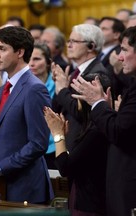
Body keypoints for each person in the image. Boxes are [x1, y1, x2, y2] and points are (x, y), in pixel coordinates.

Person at [0, 26, 54, 204]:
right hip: (2, 186)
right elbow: (0, 139)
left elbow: (38, 143)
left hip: (27, 189)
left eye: (2, 49)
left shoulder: (35, 89)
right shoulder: (3, 89)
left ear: (20, 52)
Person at [70, 26, 136, 216]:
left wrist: (97, 103)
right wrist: (106, 108)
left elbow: (118, 132)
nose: (120, 57)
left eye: (124, 49)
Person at [44, 72, 111, 215]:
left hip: (90, 205)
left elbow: (64, 167)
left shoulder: (96, 131)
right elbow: (74, 161)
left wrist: (58, 135)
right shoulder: (94, 127)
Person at [52, 23, 108, 151]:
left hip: (84, 145)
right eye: (69, 41)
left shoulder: (97, 74)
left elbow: (82, 113)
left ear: (91, 46)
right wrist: (59, 86)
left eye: (74, 41)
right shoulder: (74, 72)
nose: (69, 45)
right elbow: (59, 107)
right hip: (69, 140)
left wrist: (62, 89)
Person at [29, 43, 56, 169]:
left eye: (37, 59)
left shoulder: (58, 86)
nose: (31, 63)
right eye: (28, 59)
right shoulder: (21, 86)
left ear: (48, 62)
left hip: (54, 147)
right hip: (29, 147)